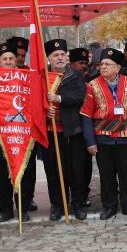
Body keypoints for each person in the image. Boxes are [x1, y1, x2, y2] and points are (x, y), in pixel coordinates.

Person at [80, 48, 127, 219]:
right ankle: (109, 206)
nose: (103, 67)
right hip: (103, 138)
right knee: (107, 175)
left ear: (117, 67)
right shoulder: (92, 86)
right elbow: (86, 115)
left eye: (107, 64)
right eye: (102, 64)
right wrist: (90, 141)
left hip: (126, 137)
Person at [43, 39, 88, 221]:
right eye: (56, 55)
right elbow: (36, 101)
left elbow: (80, 96)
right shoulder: (42, 76)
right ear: (49, 58)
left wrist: (59, 98)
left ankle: (78, 203)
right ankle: (58, 205)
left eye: (62, 54)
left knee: (76, 169)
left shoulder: (76, 75)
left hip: (73, 131)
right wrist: (47, 109)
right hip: (51, 132)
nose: (60, 58)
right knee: (53, 170)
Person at [0, 42, 34, 222]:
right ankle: (7, 208)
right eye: (4, 59)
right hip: (0, 135)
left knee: (24, 172)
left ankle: (23, 208)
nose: (8, 61)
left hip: (22, 133)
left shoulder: (26, 76)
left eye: (11, 58)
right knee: (1, 174)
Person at [70, 47, 94, 207]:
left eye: (86, 63)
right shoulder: (67, 79)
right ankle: (75, 196)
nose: (84, 66)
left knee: (87, 164)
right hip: (73, 127)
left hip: (89, 127)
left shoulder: (91, 78)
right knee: (75, 165)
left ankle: (84, 192)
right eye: (80, 63)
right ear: (71, 64)